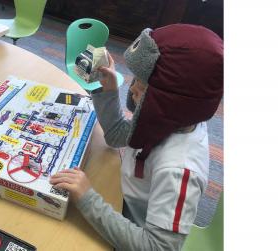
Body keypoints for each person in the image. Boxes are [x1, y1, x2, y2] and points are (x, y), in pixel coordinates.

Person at [50, 24, 223, 250]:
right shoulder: (173, 120)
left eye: (142, 84)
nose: (132, 88)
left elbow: (156, 247)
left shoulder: (178, 171)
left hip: (135, 228)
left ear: (170, 101)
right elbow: (117, 136)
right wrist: (109, 91)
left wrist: (87, 198)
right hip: (126, 199)